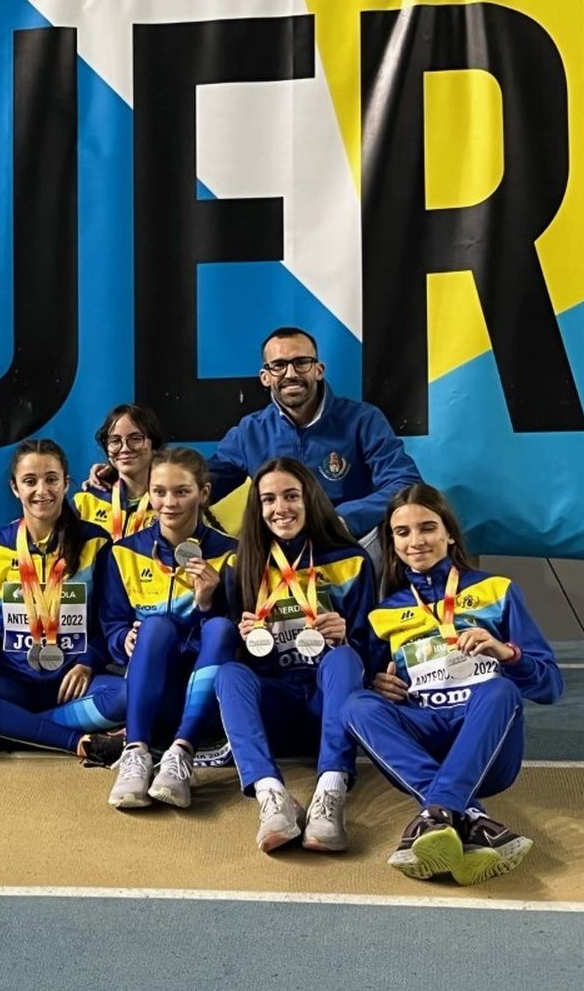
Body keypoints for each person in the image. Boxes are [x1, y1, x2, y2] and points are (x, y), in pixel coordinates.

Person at [339, 484, 562, 884]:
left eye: (427, 528)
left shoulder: (497, 590)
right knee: (356, 705)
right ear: (392, 543)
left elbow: (551, 687)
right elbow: (376, 683)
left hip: (487, 748)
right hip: (422, 744)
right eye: (403, 532)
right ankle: (468, 817)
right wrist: (379, 685)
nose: (415, 541)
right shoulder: (383, 613)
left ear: (450, 534)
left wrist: (507, 654)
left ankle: (437, 811)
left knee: (501, 689)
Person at [212, 456, 375, 854]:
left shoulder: (352, 561)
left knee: (343, 659)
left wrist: (347, 639)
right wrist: (242, 639)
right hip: (277, 710)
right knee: (229, 673)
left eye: (290, 496)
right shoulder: (241, 565)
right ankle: (271, 797)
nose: (279, 508)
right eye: (268, 499)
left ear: (310, 499)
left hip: (329, 711)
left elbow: (371, 653)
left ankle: (330, 794)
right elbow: (235, 654)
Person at [0, 440, 126, 755]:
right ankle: (71, 740)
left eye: (51, 479)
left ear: (66, 483)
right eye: (30, 481)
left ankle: (4, 730)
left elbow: (108, 622)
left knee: (127, 695)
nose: (42, 490)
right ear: (15, 488)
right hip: (14, 681)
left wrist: (87, 663)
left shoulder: (95, 542)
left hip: (74, 681)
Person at [97, 448, 239, 810]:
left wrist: (207, 602)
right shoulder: (123, 553)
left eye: (181, 492)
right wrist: (124, 639)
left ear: (203, 493)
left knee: (221, 627)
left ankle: (181, 756)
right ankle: (135, 753)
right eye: (159, 492)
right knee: (155, 627)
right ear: (148, 493)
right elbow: (112, 626)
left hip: (203, 703)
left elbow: (238, 639)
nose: (169, 503)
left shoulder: (231, 554)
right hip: (150, 697)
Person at [207, 327, 421, 549]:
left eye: (301, 362)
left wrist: (343, 520)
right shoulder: (250, 431)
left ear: (319, 370)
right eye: (279, 365)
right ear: (265, 377)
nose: (291, 374)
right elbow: (203, 485)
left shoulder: (363, 420)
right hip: (278, 553)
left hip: (353, 546)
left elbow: (405, 483)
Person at [74, 404, 165, 540]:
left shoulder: (168, 503)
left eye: (135, 438)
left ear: (154, 445)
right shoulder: (87, 500)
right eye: (115, 440)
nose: (125, 448)